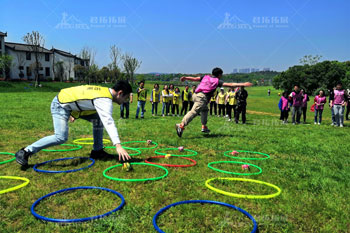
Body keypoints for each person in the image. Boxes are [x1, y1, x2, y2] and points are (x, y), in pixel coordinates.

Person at [15, 81, 133, 166]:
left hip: (71, 106)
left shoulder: (104, 92)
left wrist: (75, 113)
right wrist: (118, 145)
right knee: (60, 137)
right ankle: (25, 151)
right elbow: (109, 121)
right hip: (60, 105)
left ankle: (97, 151)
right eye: (126, 98)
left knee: (98, 121)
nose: (125, 101)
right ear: (120, 93)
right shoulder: (105, 100)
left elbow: (83, 98)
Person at [175, 67, 252, 137]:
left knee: (205, 110)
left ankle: (204, 126)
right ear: (219, 74)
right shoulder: (217, 81)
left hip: (196, 95)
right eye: (221, 74)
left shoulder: (205, 77)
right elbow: (231, 84)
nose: (221, 76)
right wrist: (244, 84)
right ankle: (181, 125)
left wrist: (185, 78)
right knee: (194, 112)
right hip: (202, 97)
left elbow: (195, 79)